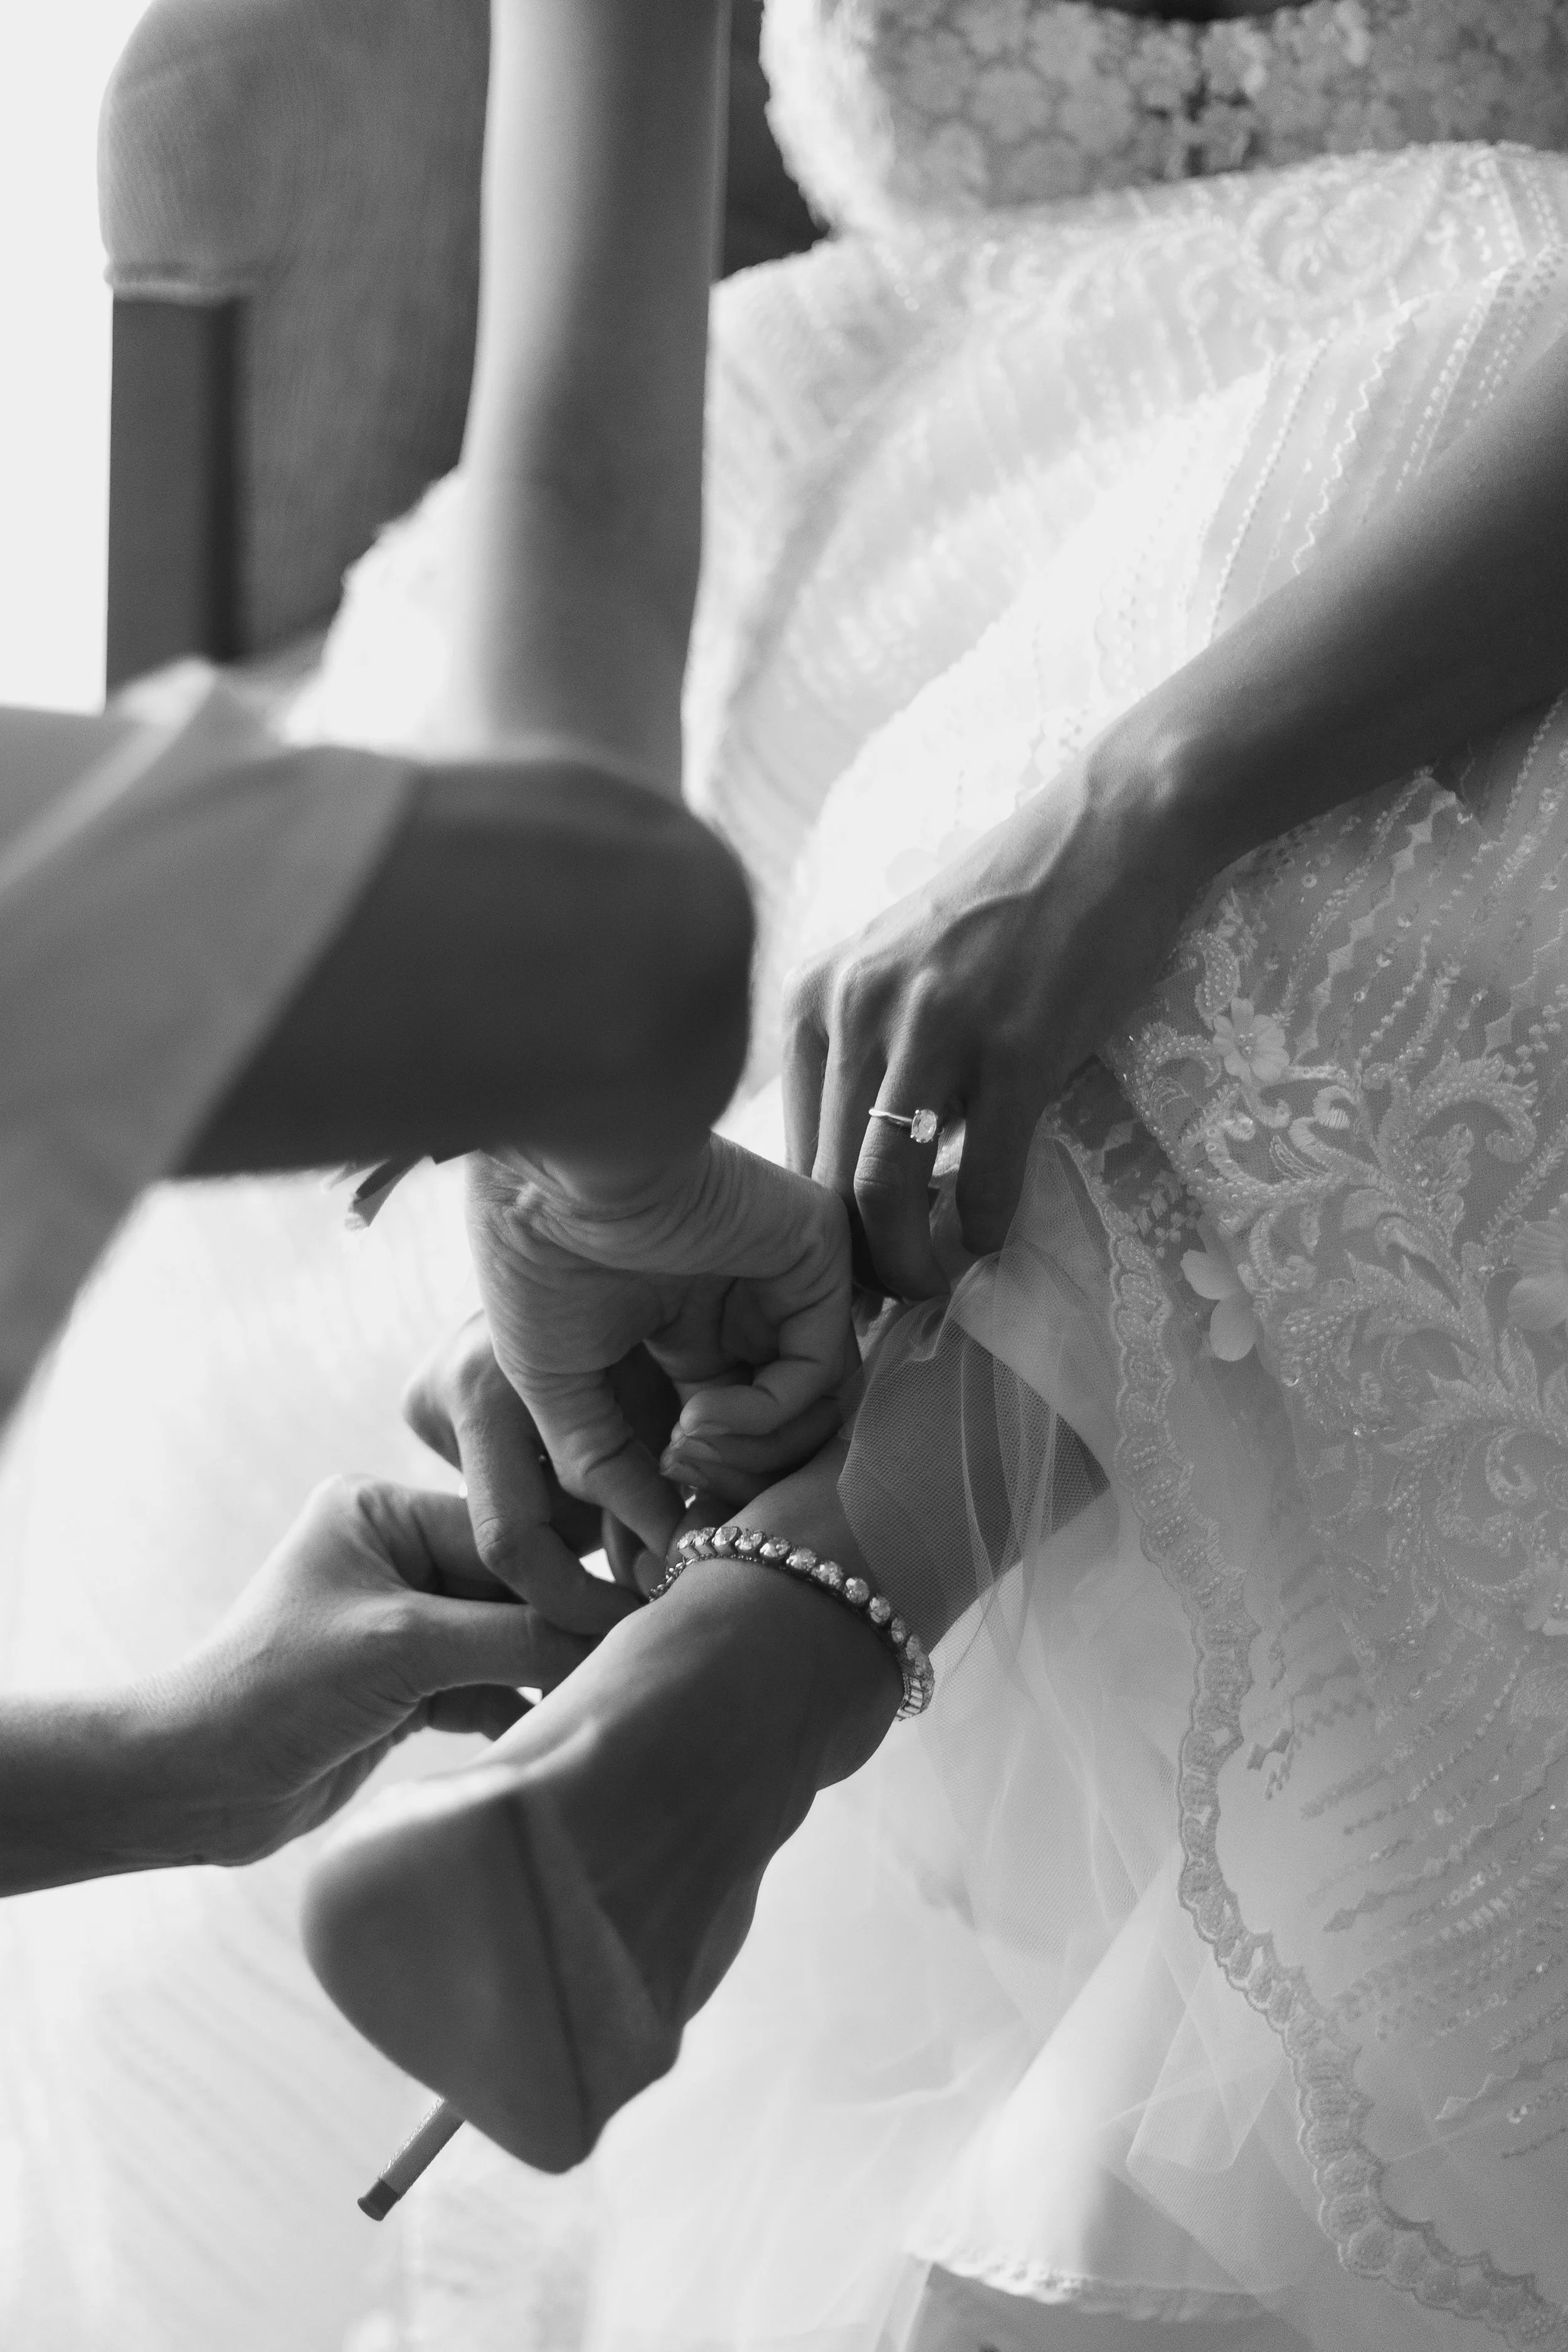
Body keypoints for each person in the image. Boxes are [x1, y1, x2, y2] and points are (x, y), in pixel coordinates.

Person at [13, 1, 1568, 2349]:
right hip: (874, 510)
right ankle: (749, 1678)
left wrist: (1143, 803)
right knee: (880, 953)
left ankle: (748, 1663)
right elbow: (571, 472)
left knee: (1368, 879)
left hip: (1483, 469)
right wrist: (564, 1119)